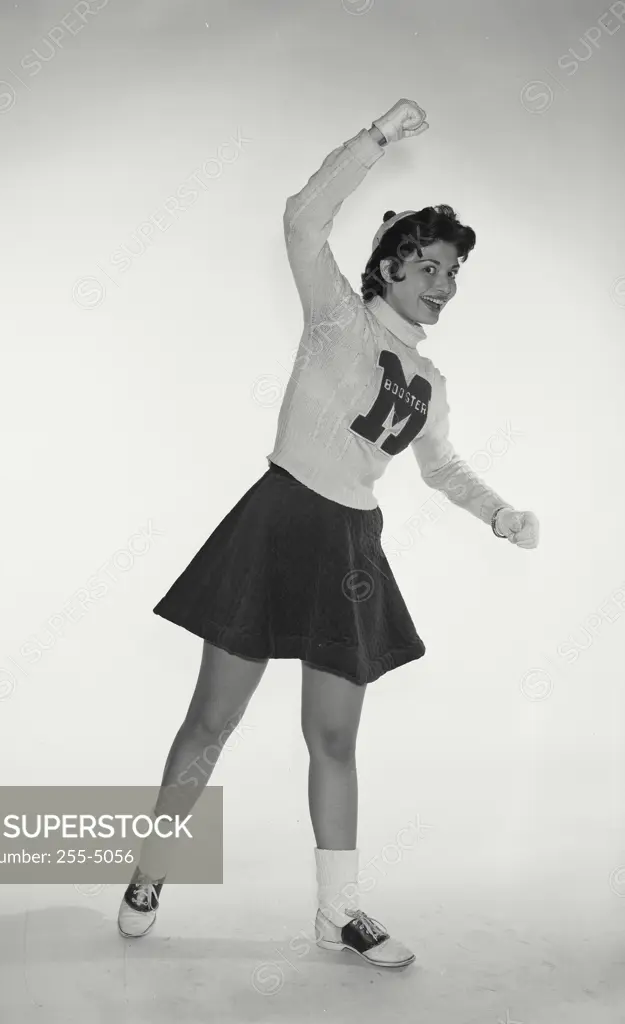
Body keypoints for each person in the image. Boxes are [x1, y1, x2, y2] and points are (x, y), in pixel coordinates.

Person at [116, 99, 540, 967]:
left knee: (335, 737)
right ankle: (150, 871)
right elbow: (302, 218)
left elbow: (441, 466)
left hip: (350, 546)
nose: (442, 284)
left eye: (453, 271)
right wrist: (376, 138)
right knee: (211, 721)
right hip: (278, 524)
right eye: (426, 265)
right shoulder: (334, 316)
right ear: (385, 268)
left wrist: (498, 512)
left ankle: (337, 913)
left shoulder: (426, 379)